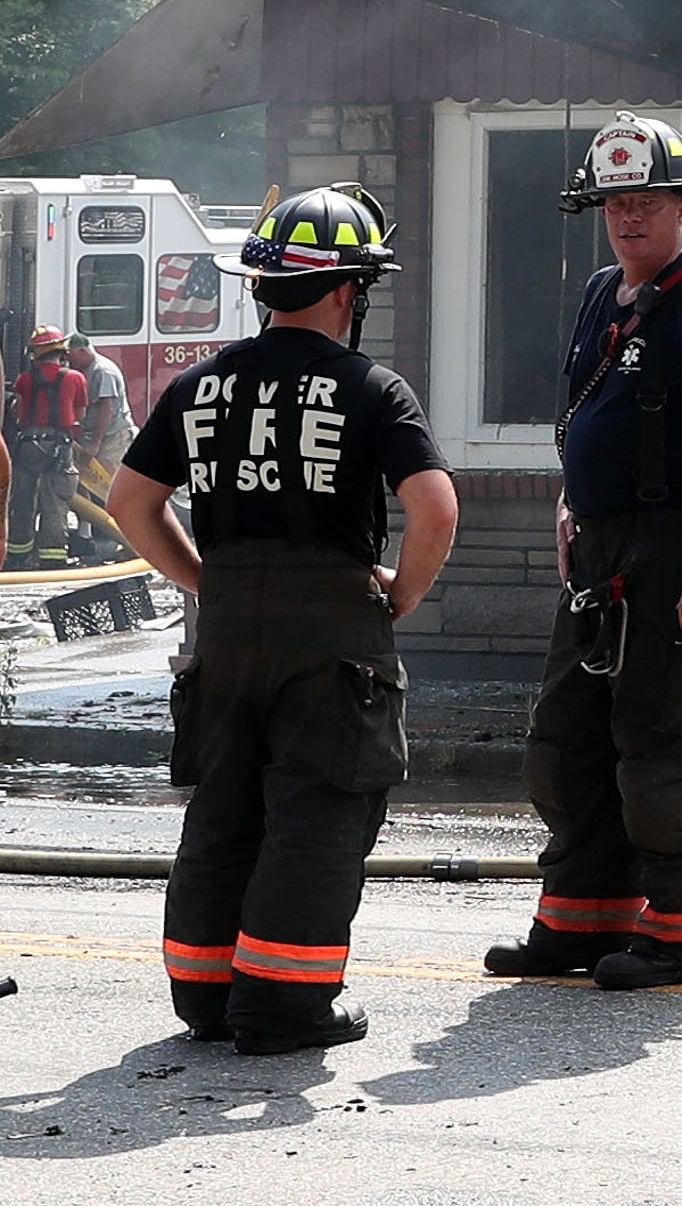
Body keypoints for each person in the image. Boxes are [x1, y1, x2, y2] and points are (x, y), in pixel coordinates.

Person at [107, 184, 456, 1054]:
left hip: (226, 633)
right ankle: (284, 1005)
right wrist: (403, 594)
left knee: (223, 806)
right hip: (333, 639)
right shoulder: (373, 388)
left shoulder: (200, 385)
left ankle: (206, 993)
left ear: (261, 285)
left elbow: (130, 501)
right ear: (347, 289)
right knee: (319, 810)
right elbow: (435, 508)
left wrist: (204, 581)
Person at [485, 114, 682, 990]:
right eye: (614, 203)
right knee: (567, 741)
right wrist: (571, 502)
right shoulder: (600, 293)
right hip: (601, 551)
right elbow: (587, 415)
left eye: (647, 200)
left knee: (669, 743)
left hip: (681, 547)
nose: (629, 216)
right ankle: (582, 919)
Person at [10, 326, 88, 567]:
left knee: (23, 499)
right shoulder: (75, 378)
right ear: (61, 350)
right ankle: (53, 558)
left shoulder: (24, 380)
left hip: (28, 445)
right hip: (59, 445)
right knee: (54, 501)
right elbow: (80, 415)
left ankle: (18, 555)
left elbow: (18, 412)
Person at [72, 336, 130, 558]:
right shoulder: (86, 370)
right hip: (93, 436)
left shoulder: (103, 371)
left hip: (111, 437)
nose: (67, 360)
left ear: (82, 351)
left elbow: (107, 408)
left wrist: (95, 443)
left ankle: (126, 541)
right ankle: (88, 535)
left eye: (70, 355)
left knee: (109, 487)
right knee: (84, 484)